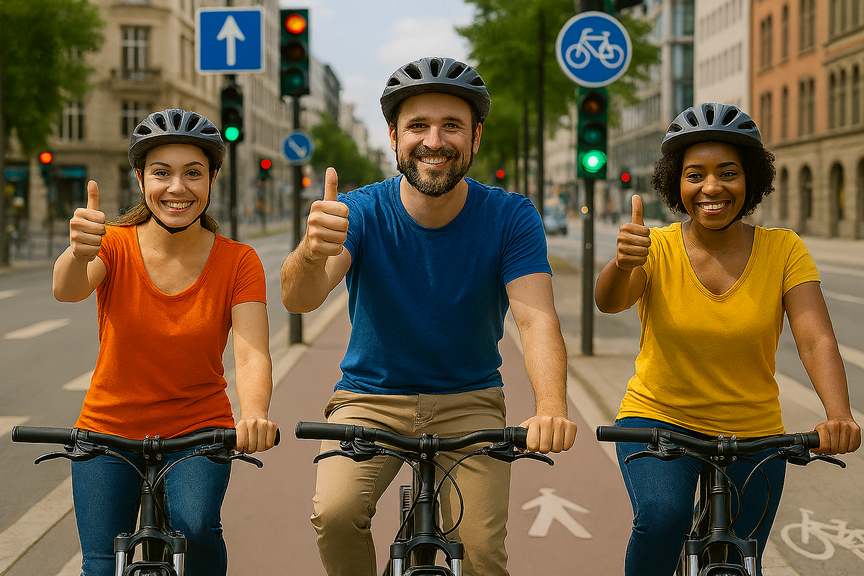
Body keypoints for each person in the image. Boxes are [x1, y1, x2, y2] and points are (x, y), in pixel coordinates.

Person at [280, 56, 578, 576]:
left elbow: (537, 321)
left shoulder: (511, 217)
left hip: (471, 401)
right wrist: (310, 251)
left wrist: (551, 406)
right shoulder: (360, 212)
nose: (434, 141)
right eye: (418, 126)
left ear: (475, 138)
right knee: (335, 512)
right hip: (369, 401)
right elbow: (300, 299)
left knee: (482, 552)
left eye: (452, 127)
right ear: (394, 138)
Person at [594, 102, 861, 576]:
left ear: (751, 180)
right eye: (695, 174)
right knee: (662, 518)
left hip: (754, 432)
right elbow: (609, 302)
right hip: (659, 421)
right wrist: (624, 263)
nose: (711, 187)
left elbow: (816, 339)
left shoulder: (784, 249)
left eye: (728, 173)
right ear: (676, 183)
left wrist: (838, 415)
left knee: (742, 552)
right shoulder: (656, 246)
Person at [52, 108, 279, 576]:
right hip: (107, 428)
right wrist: (78, 253)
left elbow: (252, 351)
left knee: (196, 530)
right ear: (141, 179)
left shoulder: (239, 261)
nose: (177, 188)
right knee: (100, 562)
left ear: (212, 179)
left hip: (198, 432)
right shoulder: (111, 244)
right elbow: (68, 289)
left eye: (193, 173)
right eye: (162, 173)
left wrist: (253, 413)